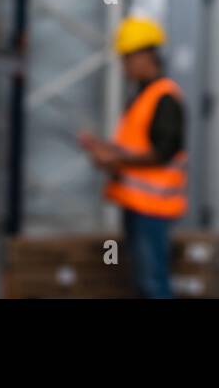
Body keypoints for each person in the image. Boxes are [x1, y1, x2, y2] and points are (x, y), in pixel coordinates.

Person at [78, 15, 187, 299]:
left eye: (128, 57)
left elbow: (164, 152)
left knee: (153, 283)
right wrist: (104, 150)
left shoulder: (164, 97)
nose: (124, 65)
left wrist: (115, 159)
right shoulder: (142, 96)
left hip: (153, 207)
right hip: (138, 205)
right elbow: (134, 148)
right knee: (144, 283)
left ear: (147, 55)